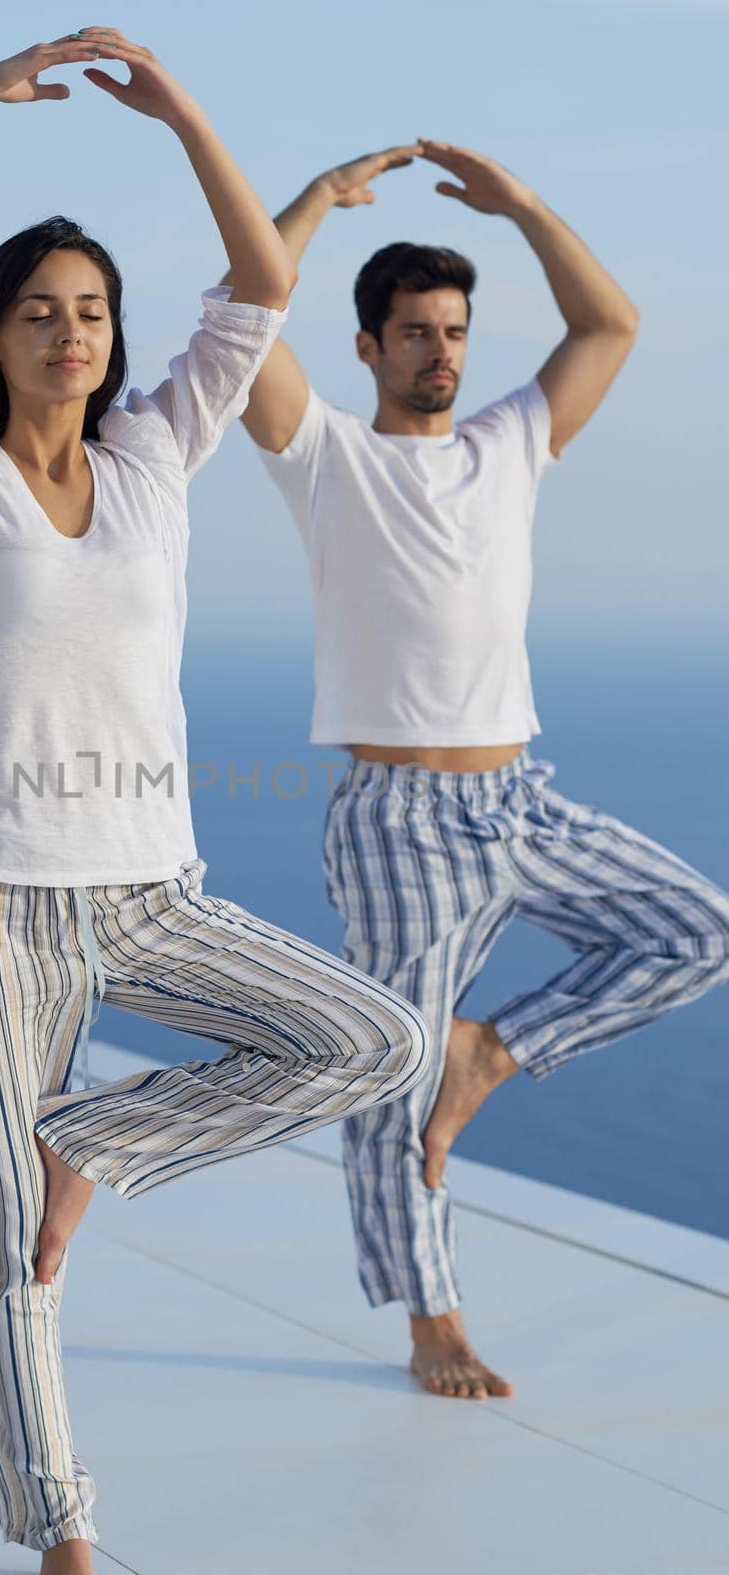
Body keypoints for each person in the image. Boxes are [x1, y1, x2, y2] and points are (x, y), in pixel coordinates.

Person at [0, 34, 431, 1572]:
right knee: (5, 1260)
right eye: (39, 310)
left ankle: (98, 1145)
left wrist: (184, 119)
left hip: (146, 886)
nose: (71, 331)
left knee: (375, 1039)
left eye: (92, 311)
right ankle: (64, 1539)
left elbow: (257, 284)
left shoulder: (158, 455)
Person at [234, 140, 729, 1404]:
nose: (440, 351)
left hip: (520, 795)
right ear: (368, 347)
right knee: (385, 1070)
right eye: (413, 331)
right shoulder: (327, 455)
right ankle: (431, 1317)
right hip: (402, 818)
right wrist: (307, 205)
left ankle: (493, 1053)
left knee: (699, 931)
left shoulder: (510, 441)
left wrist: (520, 208)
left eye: (453, 329)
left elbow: (609, 320)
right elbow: (240, 318)